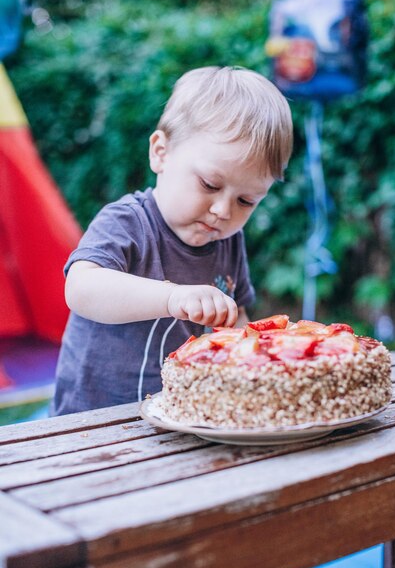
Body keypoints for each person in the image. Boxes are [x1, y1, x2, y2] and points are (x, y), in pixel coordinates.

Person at [51, 65, 293, 416]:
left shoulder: (228, 241)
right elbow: (81, 288)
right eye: (210, 185)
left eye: (247, 201)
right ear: (160, 153)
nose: (223, 210)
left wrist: (255, 360)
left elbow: (234, 318)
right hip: (91, 423)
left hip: (178, 420)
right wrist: (173, 297)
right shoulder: (128, 221)